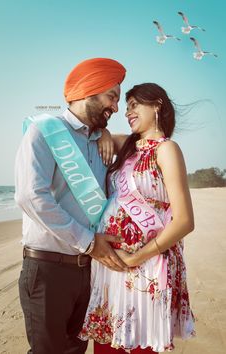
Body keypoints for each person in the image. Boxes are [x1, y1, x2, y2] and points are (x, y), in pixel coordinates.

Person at [14, 57, 127, 354]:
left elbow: (147, 141)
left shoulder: (100, 141)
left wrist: (105, 133)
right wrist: (90, 243)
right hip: (48, 269)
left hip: (88, 272)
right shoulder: (44, 131)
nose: (116, 107)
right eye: (111, 96)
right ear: (88, 91)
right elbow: (30, 196)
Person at [80, 83, 196, 353]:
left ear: (156, 105)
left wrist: (136, 257)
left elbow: (184, 221)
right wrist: (107, 132)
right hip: (111, 266)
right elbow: (96, 134)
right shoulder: (127, 146)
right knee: (108, 345)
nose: (128, 111)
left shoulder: (167, 149)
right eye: (127, 105)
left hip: (147, 265)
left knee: (138, 345)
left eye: (134, 105)